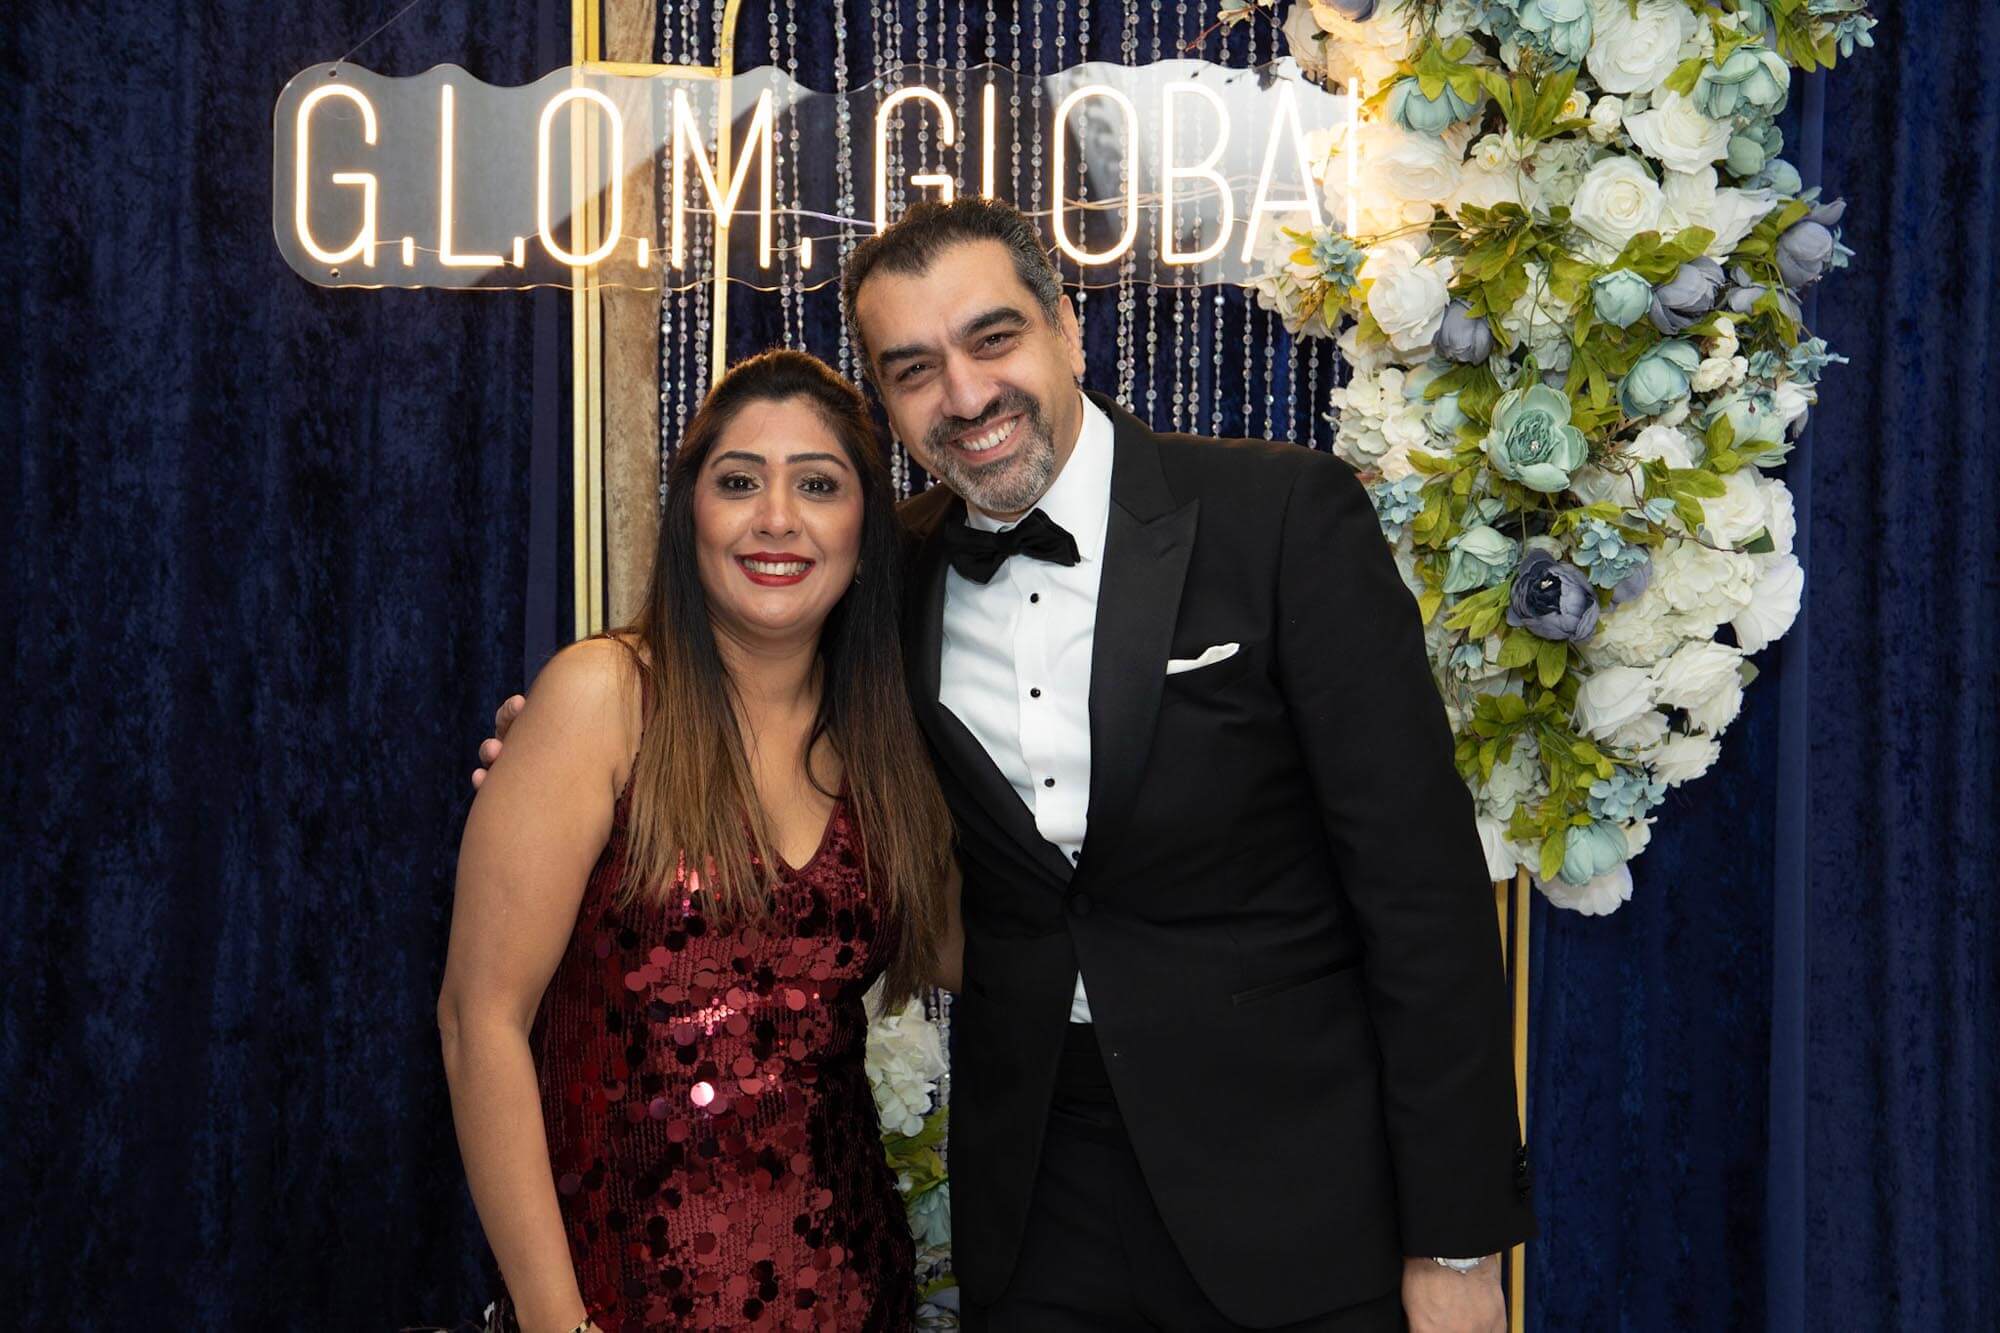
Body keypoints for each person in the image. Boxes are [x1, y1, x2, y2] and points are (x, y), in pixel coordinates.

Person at [482, 198, 1532, 1332]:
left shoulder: (1277, 516)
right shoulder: (884, 582)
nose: (966, 394)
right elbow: (738, 707)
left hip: (1297, 1194)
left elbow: (1421, 895)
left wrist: (1455, 1238)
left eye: (993, 339)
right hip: (1036, 1211)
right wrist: (551, 758)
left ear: (1067, 329)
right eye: (913, 369)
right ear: (887, 401)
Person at [439, 349, 959, 1333]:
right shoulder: (603, 698)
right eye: (738, 482)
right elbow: (480, 1021)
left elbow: (980, 952)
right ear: (690, 516)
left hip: (854, 1295)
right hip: (620, 1301)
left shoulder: (885, 752)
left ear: (865, 529)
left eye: (818, 484)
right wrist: (556, 1322)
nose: (777, 518)